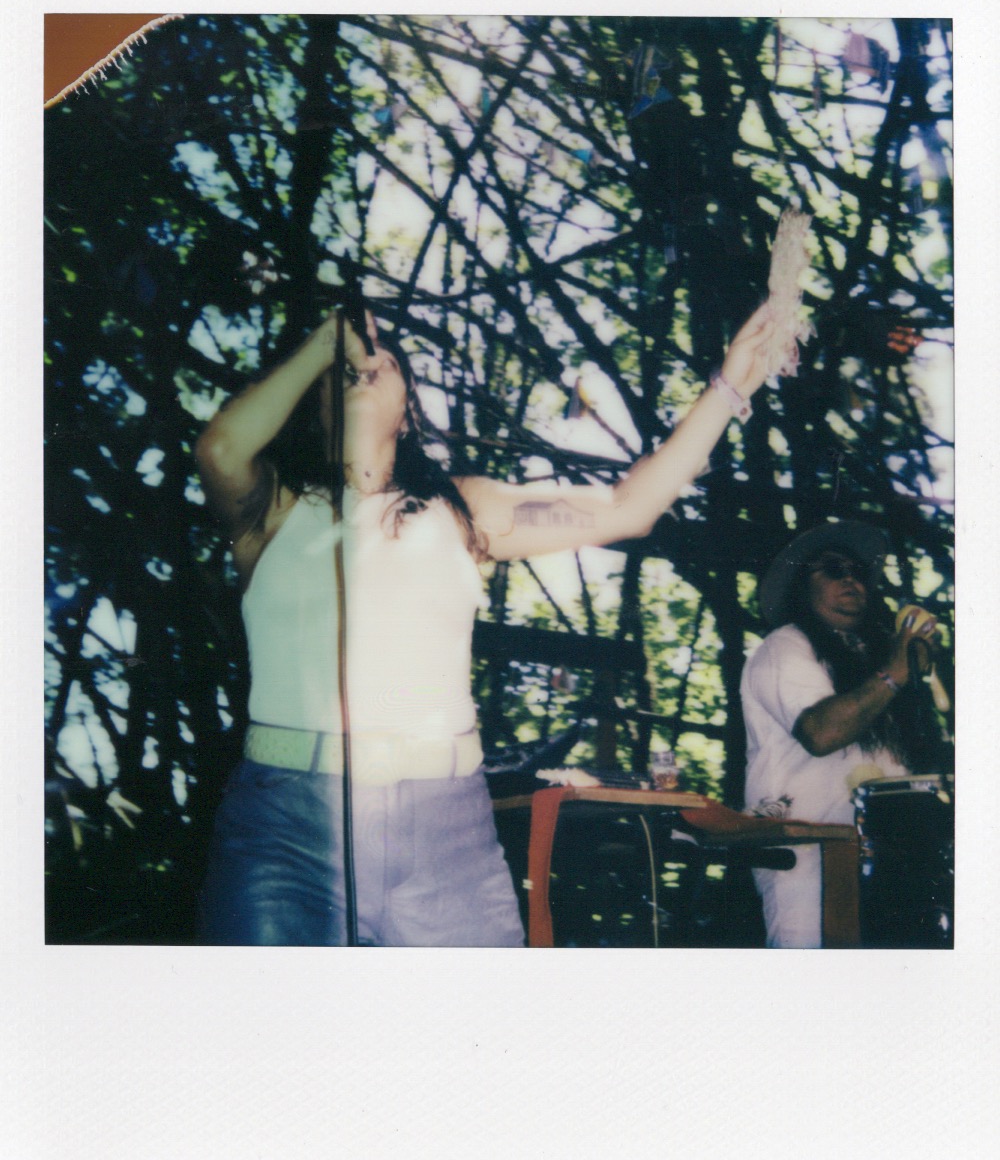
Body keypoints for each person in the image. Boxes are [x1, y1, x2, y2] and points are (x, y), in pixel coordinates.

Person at [195, 299, 779, 946]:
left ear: (407, 412)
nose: (362, 370)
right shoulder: (271, 513)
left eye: (383, 365)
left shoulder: (462, 509)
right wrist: (324, 340)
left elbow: (627, 506)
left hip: (447, 831)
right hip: (286, 830)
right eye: (344, 371)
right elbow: (219, 447)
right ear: (317, 406)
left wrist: (729, 386)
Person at [741, 520, 940, 948]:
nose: (850, 580)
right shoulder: (785, 646)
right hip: (805, 855)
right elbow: (821, 732)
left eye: (858, 571)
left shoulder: (875, 653)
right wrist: (895, 673)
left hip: (888, 859)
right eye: (833, 569)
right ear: (800, 585)